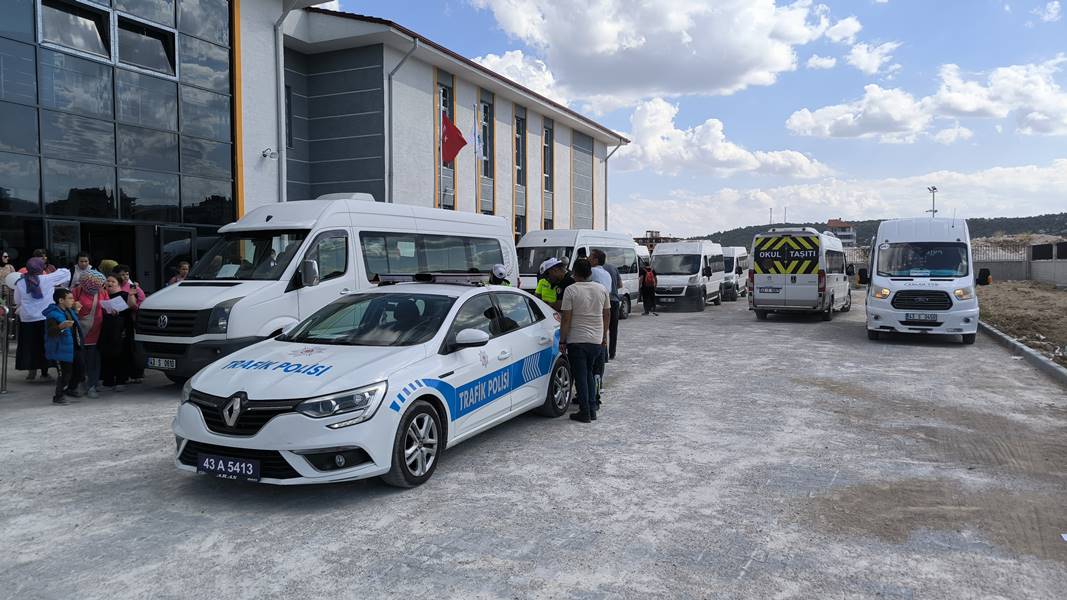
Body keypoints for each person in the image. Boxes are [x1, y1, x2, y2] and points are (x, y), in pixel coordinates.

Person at [559, 258, 609, 423]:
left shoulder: (571, 290)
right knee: (589, 372)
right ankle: (592, 409)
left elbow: (566, 319)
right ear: (590, 272)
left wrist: (562, 340)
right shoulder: (601, 289)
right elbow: (606, 314)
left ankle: (585, 412)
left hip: (577, 340)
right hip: (596, 340)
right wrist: (603, 337)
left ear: (574, 273)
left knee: (580, 376)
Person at [14, 257, 71, 380]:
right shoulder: (47, 279)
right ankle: (45, 372)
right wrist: (51, 268)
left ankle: (31, 370)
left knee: (30, 345)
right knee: (46, 344)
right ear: (41, 268)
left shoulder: (20, 282)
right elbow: (66, 273)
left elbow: (17, 300)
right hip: (45, 317)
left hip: (28, 318)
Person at [43, 287, 85, 405]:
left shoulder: (69, 311)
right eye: (70, 298)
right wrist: (61, 327)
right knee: (65, 374)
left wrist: (76, 311)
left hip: (73, 346)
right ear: (61, 300)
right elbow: (51, 332)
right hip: (60, 349)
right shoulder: (52, 315)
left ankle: (71, 389)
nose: (73, 300)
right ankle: (58, 396)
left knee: (80, 369)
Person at [73, 270, 109, 398]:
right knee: (80, 360)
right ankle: (80, 382)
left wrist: (112, 310)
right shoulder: (77, 291)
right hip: (81, 330)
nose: (101, 287)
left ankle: (92, 385)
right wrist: (74, 307)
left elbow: (107, 305)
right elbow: (71, 307)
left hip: (97, 330)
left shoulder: (102, 292)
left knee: (93, 359)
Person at [99, 275, 136, 392]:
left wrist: (131, 294)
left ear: (118, 284)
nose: (109, 283)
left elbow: (132, 306)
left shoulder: (125, 295)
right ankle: (108, 380)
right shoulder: (104, 295)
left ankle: (121, 380)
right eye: (108, 281)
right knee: (107, 354)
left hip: (121, 329)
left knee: (121, 354)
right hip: (107, 329)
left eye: (112, 281)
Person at [111, 264, 146, 383]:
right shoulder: (112, 286)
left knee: (131, 348)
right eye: (122, 274)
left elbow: (141, 300)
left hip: (131, 320)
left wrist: (134, 306)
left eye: (127, 274)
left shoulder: (133, 287)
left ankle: (136, 374)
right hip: (116, 321)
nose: (125, 276)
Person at [591, 249, 623, 361]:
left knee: (602, 328)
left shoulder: (595, 271)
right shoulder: (613, 268)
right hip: (614, 300)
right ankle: (612, 353)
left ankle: (603, 355)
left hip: (603, 303)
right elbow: (620, 284)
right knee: (613, 329)